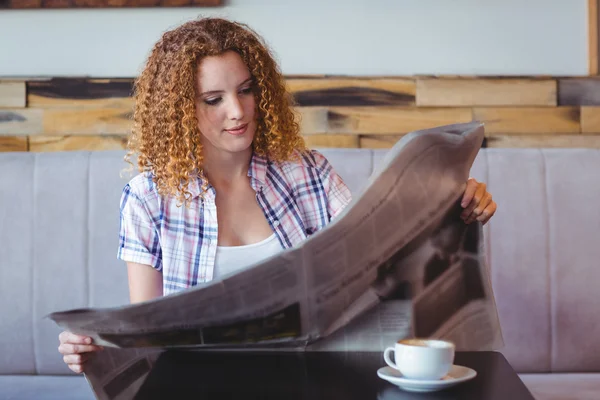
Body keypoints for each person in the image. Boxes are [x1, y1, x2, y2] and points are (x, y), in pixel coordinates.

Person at [58, 17, 498, 374]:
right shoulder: (147, 199)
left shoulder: (307, 174)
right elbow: (145, 336)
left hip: (306, 380)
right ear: (179, 111)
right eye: (213, 99)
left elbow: (388, 254)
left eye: (246, 90)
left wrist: (456, 208)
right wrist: (93, 350)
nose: (238, 110)